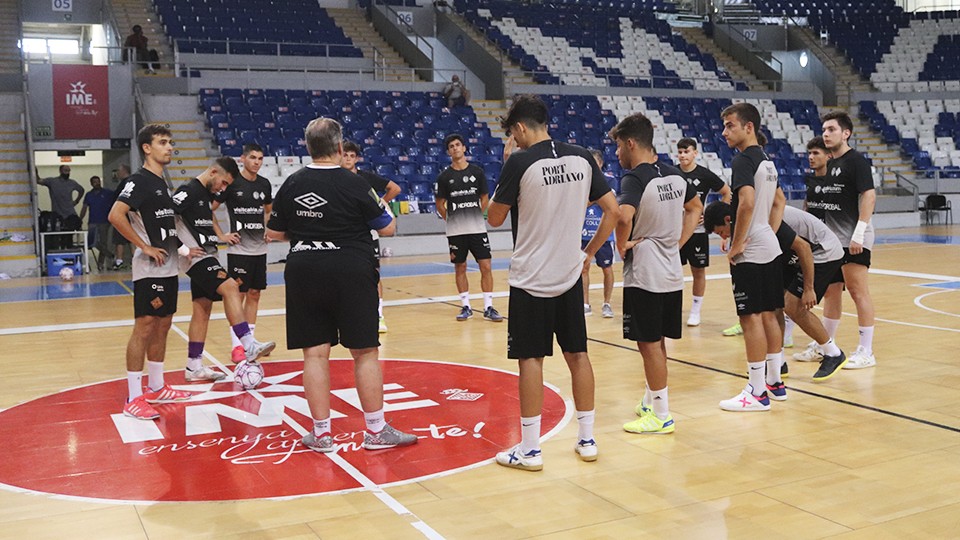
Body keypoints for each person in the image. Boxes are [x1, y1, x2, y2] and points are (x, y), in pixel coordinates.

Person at [266, 117, 417, 452]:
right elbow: (388, 227)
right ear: (338, 147)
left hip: (304, 268)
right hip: (350, 269)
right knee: (364, 352)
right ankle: (376, 431)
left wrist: (311, 234)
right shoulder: (355, 183)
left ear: (307, 147)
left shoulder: (291, 183)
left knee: (315, 355)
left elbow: (274, 233)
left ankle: (321, 434)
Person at [487, 95, 619, 470]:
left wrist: (505, 166)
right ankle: (588, 439)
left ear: (521, 128)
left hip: (531, 278)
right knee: (578, 355)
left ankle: (529, 450)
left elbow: (495, 218)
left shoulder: (519, 161)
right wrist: (588, 253)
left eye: (514, 132)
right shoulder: (581, 156)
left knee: (531, 359)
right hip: (568, 275)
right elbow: (613, 211)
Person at [612, 114, 701, 435]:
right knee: (657, 341)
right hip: (670, 271)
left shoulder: (634, 179)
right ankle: (651, 400)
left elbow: (623, 217)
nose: (617, 153)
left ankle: (662, 414)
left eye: (619, 146)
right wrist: (677, 242)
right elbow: (696, 209)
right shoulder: (676, 175)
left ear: (631, 143)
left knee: (648, 344)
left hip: (645, 272)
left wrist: (622, 245)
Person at [706, 202, 849, 382]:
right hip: (792, 254)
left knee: (793, 306)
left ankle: (833, 353)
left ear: (728, 219)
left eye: (721, 232)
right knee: (774, 303)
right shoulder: (743, 221)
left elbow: (803, 248)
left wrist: (809, 288)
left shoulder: (762, 220)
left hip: (821, 250)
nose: (724, 237)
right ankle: (778, 363)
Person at [108, 124, 192, 420]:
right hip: (149, 270)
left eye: (170, 142)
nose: (169, 147)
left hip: (168, 269)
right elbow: (115, 215)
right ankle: (133, 397)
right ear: (147, 148)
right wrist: (143, 246)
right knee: (144, 326)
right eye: (162, 142)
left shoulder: (160, 183)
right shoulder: (139, 181)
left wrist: (183, 251)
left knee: (163, 325)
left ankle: (156, 387)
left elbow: (165, 228)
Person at [173, 157, 276, 382]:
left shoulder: (206, 194)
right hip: (197, 257)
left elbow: (208, 217)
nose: (223, 188)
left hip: (209, 253)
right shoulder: (189, 189)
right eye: (223, 183)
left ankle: (193, 366)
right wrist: (182, 249)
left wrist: (219, 237)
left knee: (202, 309)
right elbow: (164, 217)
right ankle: (248, 344)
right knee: (231, 287)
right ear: (212, 172)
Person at [716, 103, 786, 413]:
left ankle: (756, 392)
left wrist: (738, 242)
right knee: (769, 313)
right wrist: (766, 231)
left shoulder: (743, 159)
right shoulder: (767, 161)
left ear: (749, 127)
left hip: (753, 249)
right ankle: (775, 382)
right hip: (768, 245)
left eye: (730, 125)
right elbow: (779, 201)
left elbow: (745, 203)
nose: (724, 131)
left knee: (750, 317)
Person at [800, 113, 878, 370]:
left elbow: (868, 195)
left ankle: (866, 351)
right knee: (832, 292)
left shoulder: (856, 161)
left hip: (854, 237)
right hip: (833, 241)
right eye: (824, 129)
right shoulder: (831, 164)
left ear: (846, 133)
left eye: (832, 129)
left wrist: (859, 232)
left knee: (857, 291)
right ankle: (825, 345)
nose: (826, 133)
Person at [211, 143, 275, 362]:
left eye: (260, 158)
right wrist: (221, 235)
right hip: (239, 250)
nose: (257, 162)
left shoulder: (265, 184)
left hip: (260, 249)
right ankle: (238, 345)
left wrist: (269, 230)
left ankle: (251, 342)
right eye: (253, 158)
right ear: (243, 159)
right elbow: (209, 209)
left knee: (255, 294)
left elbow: (268, 211)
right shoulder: (232, 183)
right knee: (237, 295)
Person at [434, 133, 503, 322]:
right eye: (451, 146)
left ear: (464, 148)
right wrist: (452, 218)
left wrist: (477, 216)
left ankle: (488, 307)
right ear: (448, 151)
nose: (455, 148)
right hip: (456, 231)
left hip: (477, 229)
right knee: (460, 267)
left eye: (458, 144)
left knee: (486, 265)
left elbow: (484, 198)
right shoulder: (444, 177)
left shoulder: (477, 172)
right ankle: (466, 306)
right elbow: (440, 204)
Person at [342, 140, 402, 332]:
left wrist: (381, 203)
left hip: (368, 234)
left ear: (357, 158)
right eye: (345, 155)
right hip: (345, 235)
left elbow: (395, 188)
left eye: (352, 156)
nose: (349, 159)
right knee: (345, 274)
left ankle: (379, 315)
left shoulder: (365, 178)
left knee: (373, 275)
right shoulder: (335, 178)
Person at [675, 138, 731, 327]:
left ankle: (695, 311)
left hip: (698, 231)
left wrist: (709, 214)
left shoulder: (705, 175)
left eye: (686, 151)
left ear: (695, 153)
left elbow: (727, 192)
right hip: (676, 231)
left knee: (698, 271)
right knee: (673, 270)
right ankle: (671, 309)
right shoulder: (672, 173)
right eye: (680, 152)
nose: (683, 155)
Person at [581, 149, 618, 319]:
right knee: (583, 268)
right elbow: (583, 203)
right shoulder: (580, 180)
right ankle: (585, 304)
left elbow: (610, 205)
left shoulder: (610, 179)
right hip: (582, 232)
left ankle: (607, 303)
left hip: (603, 233)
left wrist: (594, 199)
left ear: (600, 164)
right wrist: (599, 197)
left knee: (607, 268)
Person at [79, 175, 114, 271]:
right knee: (92, 242)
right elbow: (84, 207)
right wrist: (80, 219)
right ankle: (109, 255)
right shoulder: (88, 195)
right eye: (94, 182)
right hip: (92, 222)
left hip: (104, 221)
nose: (97, 183)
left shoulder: (108, 193)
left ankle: (100, 264)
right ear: (91, 183)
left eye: (98, 181)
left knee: (103, 242)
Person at [111, 165, 133, 270]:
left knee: (121, 239)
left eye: (118, 171)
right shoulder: (127, 182)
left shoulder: (126, 183)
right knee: (131, 239)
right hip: (127, 215)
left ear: (124, 171)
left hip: (123, 215)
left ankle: (120, 261)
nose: (117, 174)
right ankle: (134, 260)